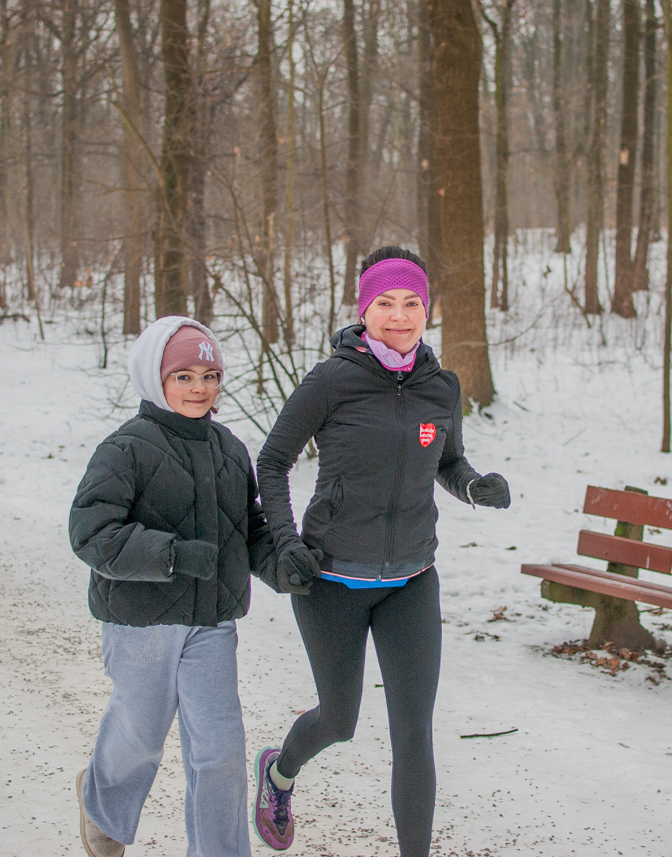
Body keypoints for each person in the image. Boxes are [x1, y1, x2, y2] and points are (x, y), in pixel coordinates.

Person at [252, 247, 512, 856]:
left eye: (413, 303)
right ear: (364, 309)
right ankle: (278, 773)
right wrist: (287, 542)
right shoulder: (330, 381)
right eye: (385, 304)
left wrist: (472, 486)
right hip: (332, 580)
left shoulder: (440, 387)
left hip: (412, 581)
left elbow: (447, 461)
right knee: (338, 722)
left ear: (428, 309)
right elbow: (272, 461)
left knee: (413, 736)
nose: (400, 316)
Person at [69, 317, 278, 857]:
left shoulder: (230, 449)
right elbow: (91, 532)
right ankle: (103, 804)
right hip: (141, 623)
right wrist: (171, 555)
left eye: (209, 375)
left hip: (211, 623)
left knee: (222, 752)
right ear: (154, 377)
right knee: (139, 735)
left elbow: (247, 529)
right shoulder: (127, 448)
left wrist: (283, 565)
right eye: (183, 376)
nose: (199, 388)